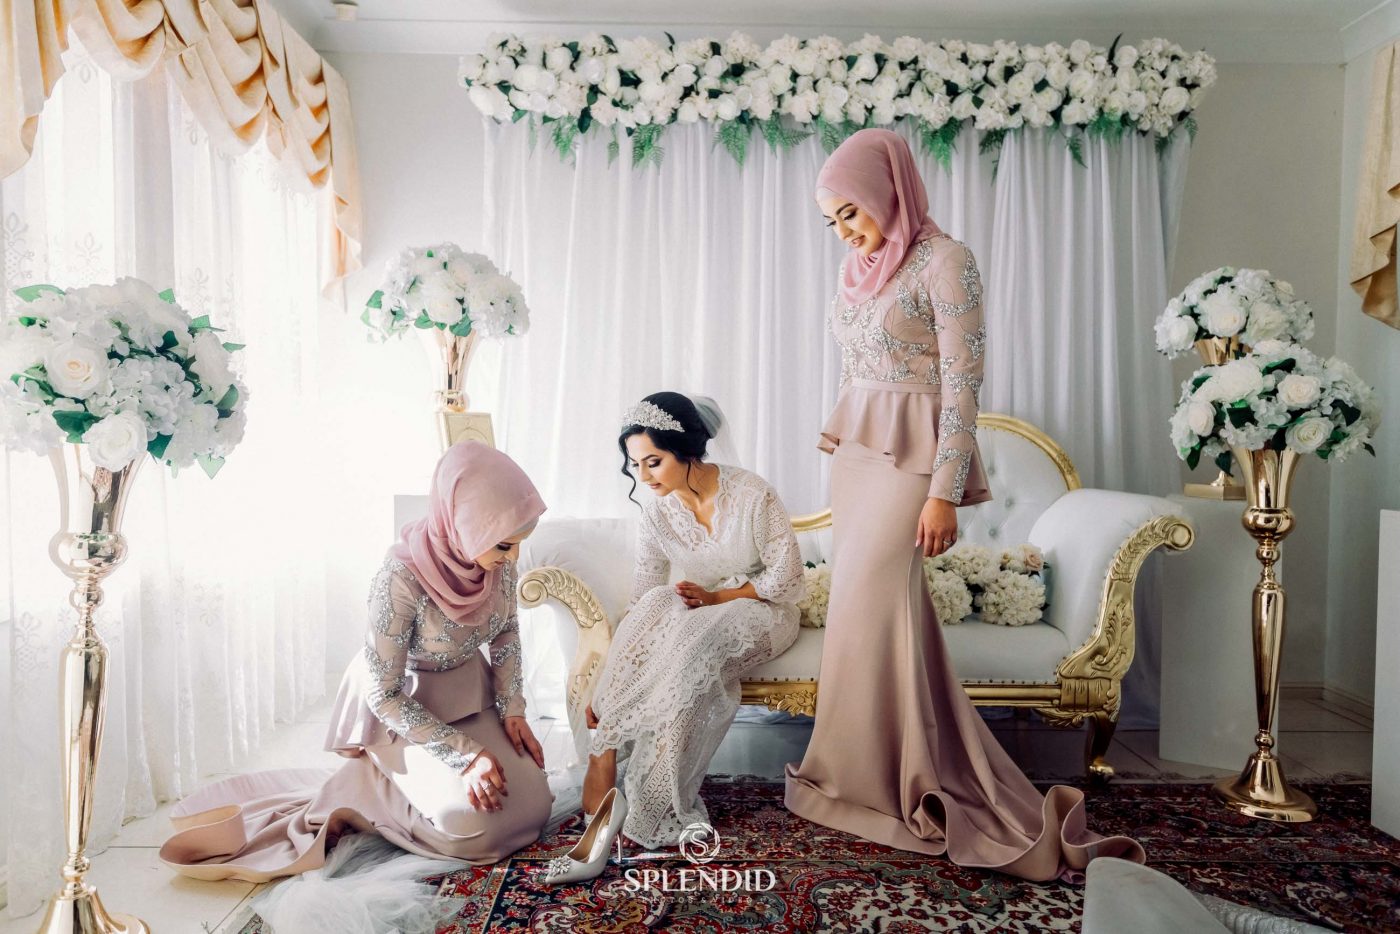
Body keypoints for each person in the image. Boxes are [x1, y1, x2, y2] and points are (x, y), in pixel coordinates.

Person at [783, 128, 1145, 882]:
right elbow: (857, 368)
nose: (843, 231)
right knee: (866, 614)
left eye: (851, 211)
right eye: (832, 220)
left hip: (914, 459)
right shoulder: (858, 270)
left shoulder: (947, 259)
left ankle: (893, 778)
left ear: (887, 191)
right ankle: (857, 772)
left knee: (874, 603)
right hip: (857, 457)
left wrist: (943, 491)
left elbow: (963, 383)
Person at [160, 441, 553, 884]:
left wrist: (513, 709)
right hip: (400, 707)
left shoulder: (496, 566)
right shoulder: (399, 579)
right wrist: (464, 754)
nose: (512, 558)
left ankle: (401, 780)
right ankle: (364, 787)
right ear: (463, 525)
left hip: (467, 691)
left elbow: (506, 633)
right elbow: (383, 694)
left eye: (518, 544)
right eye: (504, 544)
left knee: (534, 806)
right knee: (475, 831)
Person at [570, 392, 803, 863]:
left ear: (686, 450)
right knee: (659, 602)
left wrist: (718, 598)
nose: (644, 476)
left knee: (689, 650)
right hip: (701, 608)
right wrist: (610, 673)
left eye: (654, 461)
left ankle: (653, 803)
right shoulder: (657, 513)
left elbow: (786, 578)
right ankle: (605, 746)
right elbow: (643, 596)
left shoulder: (752, 494)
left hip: (762, 608)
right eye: (636, 465)